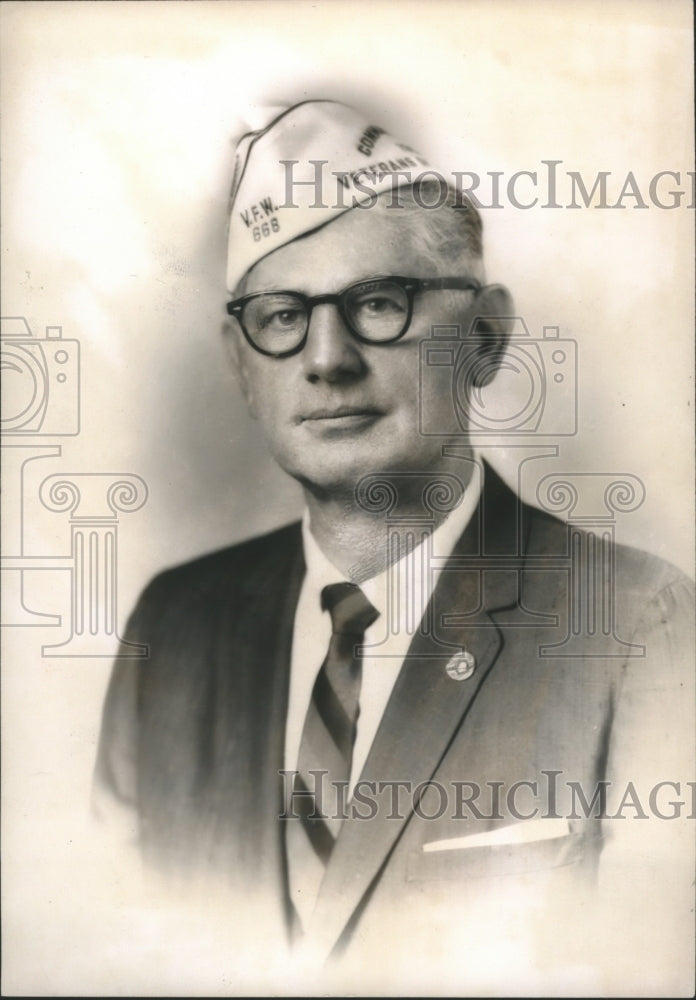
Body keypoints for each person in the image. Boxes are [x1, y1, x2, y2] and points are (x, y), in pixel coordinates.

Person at [93, 100, 694, 992]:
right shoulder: (173, 628)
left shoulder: (639, 626)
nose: (327, 358)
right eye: (282, 315)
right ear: (240, 364)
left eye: (380, 303)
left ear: (485, 339)